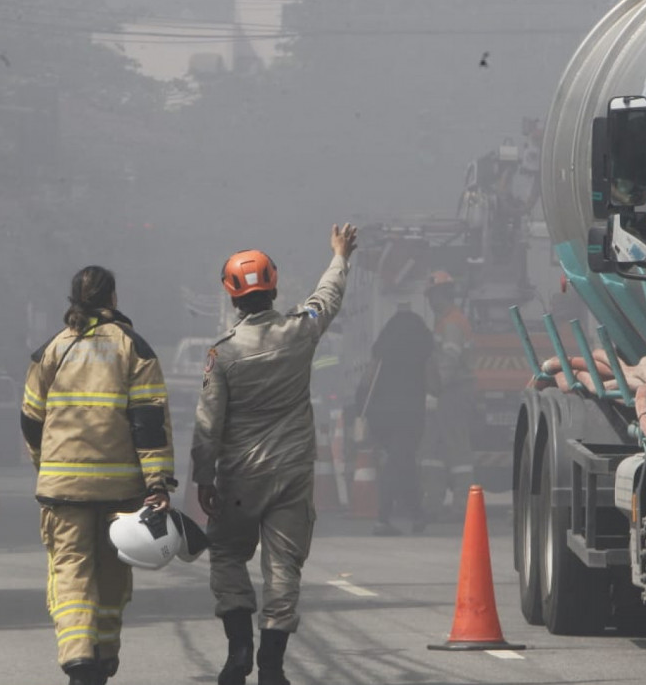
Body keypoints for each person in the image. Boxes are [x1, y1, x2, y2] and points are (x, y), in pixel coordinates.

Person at [193, 223, 356, 685]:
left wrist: (203, 477)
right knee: (283, 568)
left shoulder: (222, 355)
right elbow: (327, 298)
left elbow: (208, 423)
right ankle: (271, 667)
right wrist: (340, 256)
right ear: (275, 287)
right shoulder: (299, 332)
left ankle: (238, 652)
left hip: (239, 478)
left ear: (231, 296)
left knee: (227, 554)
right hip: (291, 474)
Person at [21, 266, 175, 685]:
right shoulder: (133, 347)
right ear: (113, 298)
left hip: (62, 490)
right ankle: (104, 656)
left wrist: (45, 465)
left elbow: (31, 419)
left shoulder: (52, 349)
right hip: (120, 490)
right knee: (111, 576)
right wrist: (157, 481)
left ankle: (77, 658)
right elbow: (149, 422)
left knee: (70, 571)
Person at [358, 302, 437, 536]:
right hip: (409, 413)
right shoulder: (423, 344)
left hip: (380, 413)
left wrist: (361, 406)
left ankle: (416, 514)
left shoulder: (383, 345)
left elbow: (368, 377)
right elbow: (434, 382)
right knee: (398, 461)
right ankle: (383, 519)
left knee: (403, 460)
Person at [422, 271, 477, 517]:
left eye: (432, 296)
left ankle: (462, 505)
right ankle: (433, 501)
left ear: (442, 294)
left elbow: (449, 361)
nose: (430, 301)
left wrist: (434, 389)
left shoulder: (453, 322)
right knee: (434, 447)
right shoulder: (445, 320)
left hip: (454, 392)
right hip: (447, 393)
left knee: (457, 448)